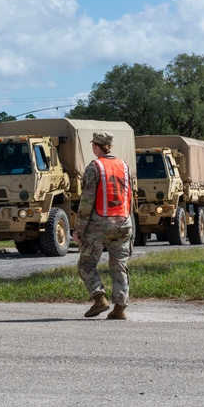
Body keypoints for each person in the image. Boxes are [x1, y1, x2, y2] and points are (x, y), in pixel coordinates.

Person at [71, 131, 134, 320]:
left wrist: (78, 230)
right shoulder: (124, 166)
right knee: (119, 265)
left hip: (100, 224)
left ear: (96, 146)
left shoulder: (94, 167)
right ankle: (120, 308)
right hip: (124, 222)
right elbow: (130, 196)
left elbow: (86, 202)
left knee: (86, 264)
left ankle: (99, 298)